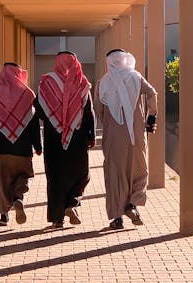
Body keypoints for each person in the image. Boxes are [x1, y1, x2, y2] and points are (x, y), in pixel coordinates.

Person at [94, 49, 157, 230]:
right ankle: (132, 204)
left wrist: (108, 123)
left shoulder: (103, 82)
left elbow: (98, 109)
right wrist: (150, 118)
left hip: (113, 136)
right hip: (136, 135)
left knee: (115, 174)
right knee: (138, 168)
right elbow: (153, 94)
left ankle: (117, 217)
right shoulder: (136, 78)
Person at [0, 62, 42, 226]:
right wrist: (38, 145)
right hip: (22, 148)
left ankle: (4, 216)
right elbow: (33, 124)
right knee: (25, 176)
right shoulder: (28, 95)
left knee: (0, 182)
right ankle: (18, 197)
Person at [36, 52, 96, 228]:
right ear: (76, 63)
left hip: (53, 139)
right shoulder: (81, 83)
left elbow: (39, 111)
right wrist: (90, 135)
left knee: (55, 178)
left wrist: (55, 119)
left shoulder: (46, 83)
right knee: (81, 174)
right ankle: (72, 203)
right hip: (77, 139)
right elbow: (88, 113)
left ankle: (57, 219)